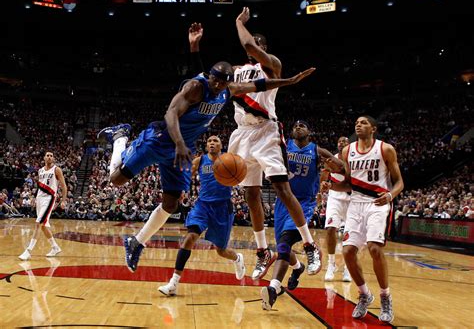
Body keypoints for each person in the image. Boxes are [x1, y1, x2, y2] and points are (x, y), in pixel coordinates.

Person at [97, 23, 316, 273]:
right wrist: (179, 143)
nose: (218, 87)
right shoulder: (196, 86)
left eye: (222, 84)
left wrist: (290, 80)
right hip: (160, 139)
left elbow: (259, 86)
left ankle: (136, 242)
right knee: (116, 180)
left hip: (188, 147)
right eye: (214, 82)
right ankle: (120, 138)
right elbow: (171, 112)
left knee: (171, 203)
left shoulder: (228, 88)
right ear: (208, 77)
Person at [230, 7, 322, 280]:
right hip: (241, 133)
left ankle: (309, 244)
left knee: (282, 188)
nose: (254, 46)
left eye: (260, 44)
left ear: (266, 48)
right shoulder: (236, 71)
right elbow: (232, 89)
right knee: (251, 195)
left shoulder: (272, 65)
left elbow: (247, 43)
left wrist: (238, 22)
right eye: (254, 44)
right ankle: (262, 252)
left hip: (266, 131)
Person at [325, 116, 404, 323]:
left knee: (375, 248)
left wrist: (390, 195)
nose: (358, 124)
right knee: (348, 251)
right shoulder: (347, 151)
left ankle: (385, 296)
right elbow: (350, 184)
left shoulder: (385, 149)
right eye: (357, 122)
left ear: (374, 128)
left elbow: (399, 183)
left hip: (378, 203)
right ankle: (364, 294)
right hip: (355, 204)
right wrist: (331, 186)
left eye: (363, 122)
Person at [260, 120, 344, 310]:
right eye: (295, 125)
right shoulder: (284, 146)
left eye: (303, 125)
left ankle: (273, 288)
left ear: (309, 131)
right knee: (283, 247)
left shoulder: (317, 151)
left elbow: (341, 167)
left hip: (304, 202)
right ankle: (298, 267)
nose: (298, 127)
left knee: (284, 243)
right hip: (282, 202)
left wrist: (332, 168)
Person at [158, 135, 246, 296]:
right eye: (209, 141)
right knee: (190, 237)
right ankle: (173, 283)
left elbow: (241, 174)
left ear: (221, 145)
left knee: (221, 250)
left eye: (216, 141)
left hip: (222, 207)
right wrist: (180, 192)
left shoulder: (229, 159)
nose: (212, 143)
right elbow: (186, 176)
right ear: (206, 145)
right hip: (203, 205)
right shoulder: (199, 161)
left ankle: (237, 258)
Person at [19, 152, 67, 260]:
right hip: (39, 199)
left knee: (38, 223)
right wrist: (34, 198)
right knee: (44, 225)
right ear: (44, 158)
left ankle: (28, 251)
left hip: (49, 199)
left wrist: (63, 200)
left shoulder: (56, 170)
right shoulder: (40, 170)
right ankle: (55, 247)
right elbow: (40, 186)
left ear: (53, 158)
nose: (49, 157)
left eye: (51, 155)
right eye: (47, 155)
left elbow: (64, 186)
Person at [319, 136, 352, 282]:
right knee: (331, 229)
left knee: (350, 236)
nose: (341, 143)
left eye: (345, 141)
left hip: (352, 199)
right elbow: (324, 174)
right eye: (339, 141)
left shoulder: (355, 159)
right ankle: (331, 264)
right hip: (335, 197)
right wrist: (322, 189)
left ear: (349, 145)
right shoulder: (331, 159)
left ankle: (348, 268)